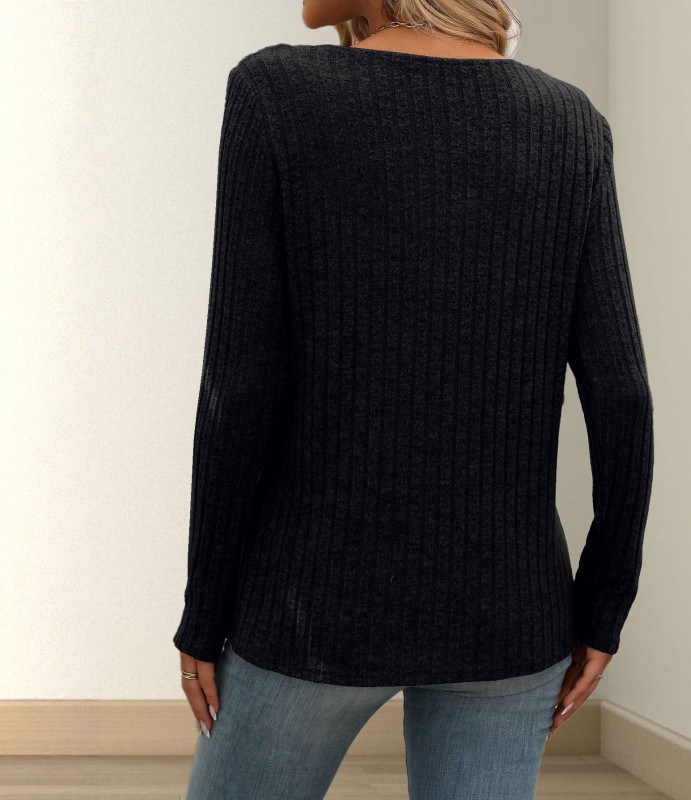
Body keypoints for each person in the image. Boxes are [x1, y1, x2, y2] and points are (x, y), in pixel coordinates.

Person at [174, 0, 655, 797]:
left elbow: (241, 386)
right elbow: (623, 394)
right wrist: (602, 607)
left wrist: (206, 609)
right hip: (511, 613)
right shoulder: (570, 123)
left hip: (312, 606)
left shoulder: (277, 92)